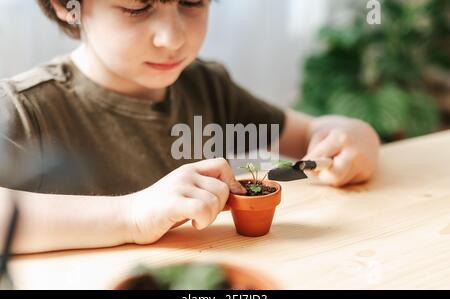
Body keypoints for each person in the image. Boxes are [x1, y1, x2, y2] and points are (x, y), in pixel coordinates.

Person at [0, 0, 380, 254]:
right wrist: (131, 215)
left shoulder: (205, 86)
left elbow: (310, 134)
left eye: (192, 2)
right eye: (137, 7)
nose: (173, 38)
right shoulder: (26, 109)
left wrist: (351, 136)